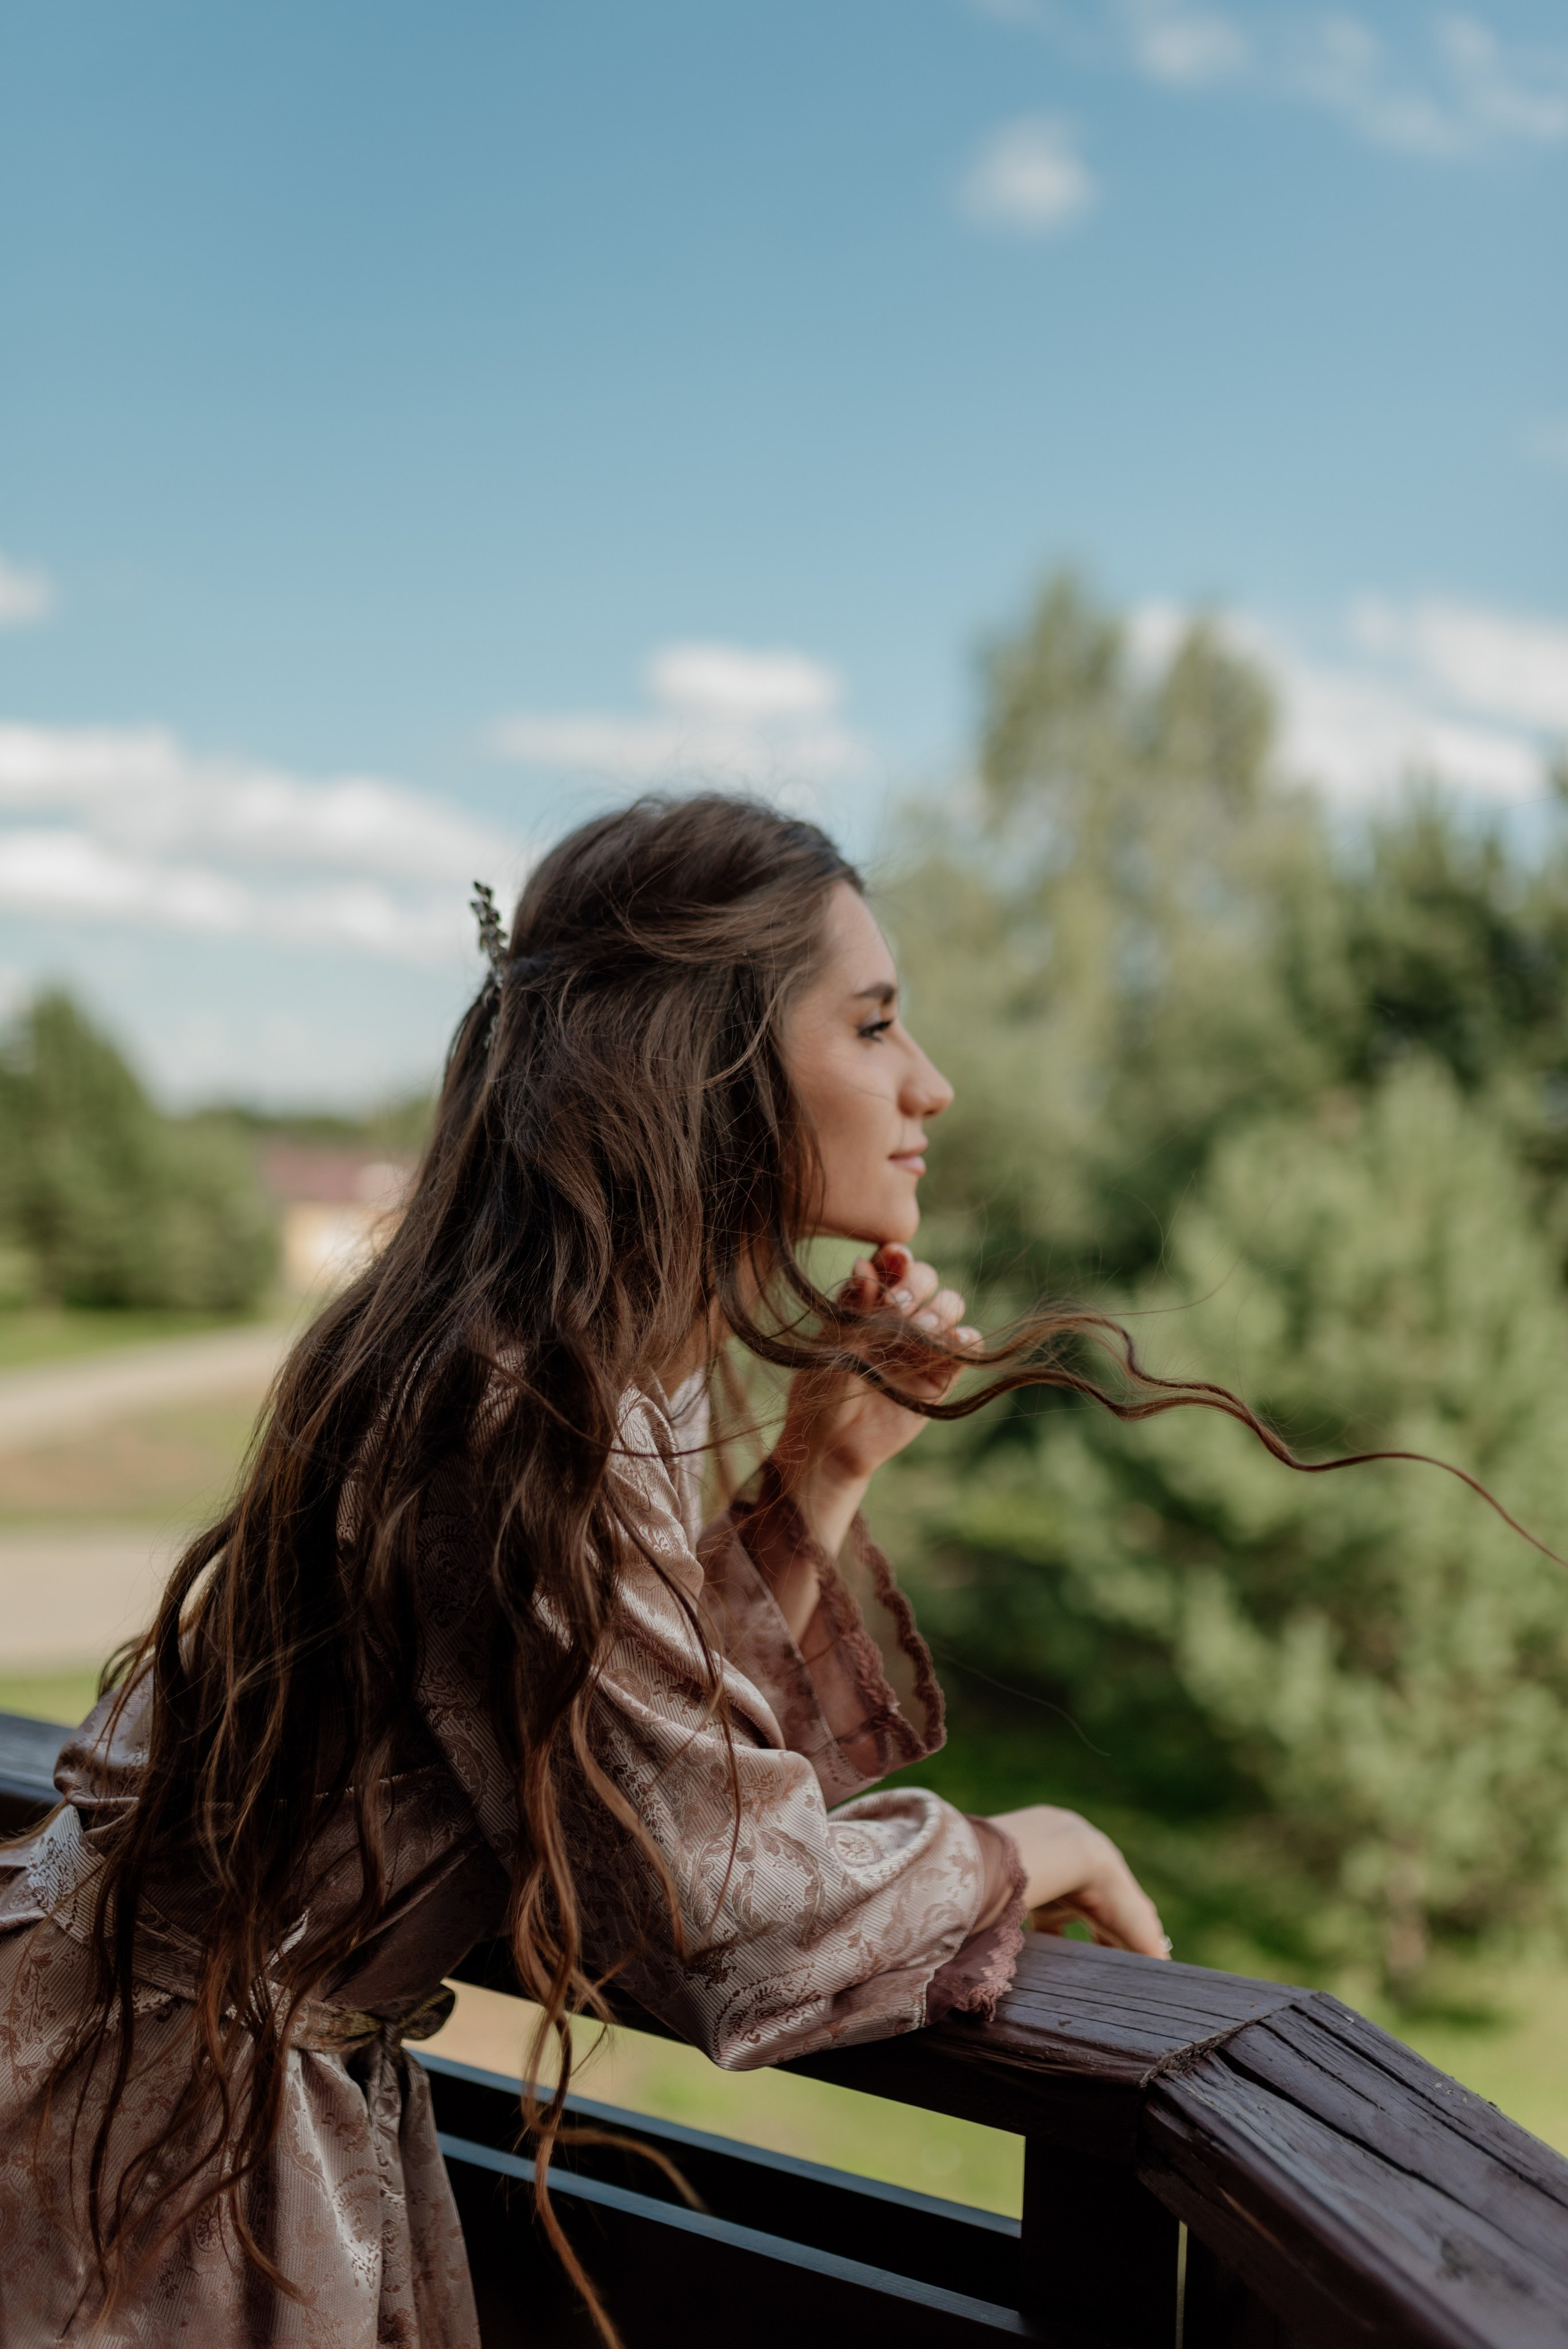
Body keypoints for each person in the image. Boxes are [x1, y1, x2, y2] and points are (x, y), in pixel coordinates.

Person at [0, 794, 1166, 2347]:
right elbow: (719, 1910)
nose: (928, 1084)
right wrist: (1034, 1843)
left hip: (149, 2076)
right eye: (876, 1023)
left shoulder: (538, 1364)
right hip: (152, 2155)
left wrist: (819, 1468)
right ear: (715, 1066)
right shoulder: (526, 1405)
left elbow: (630, 1741)